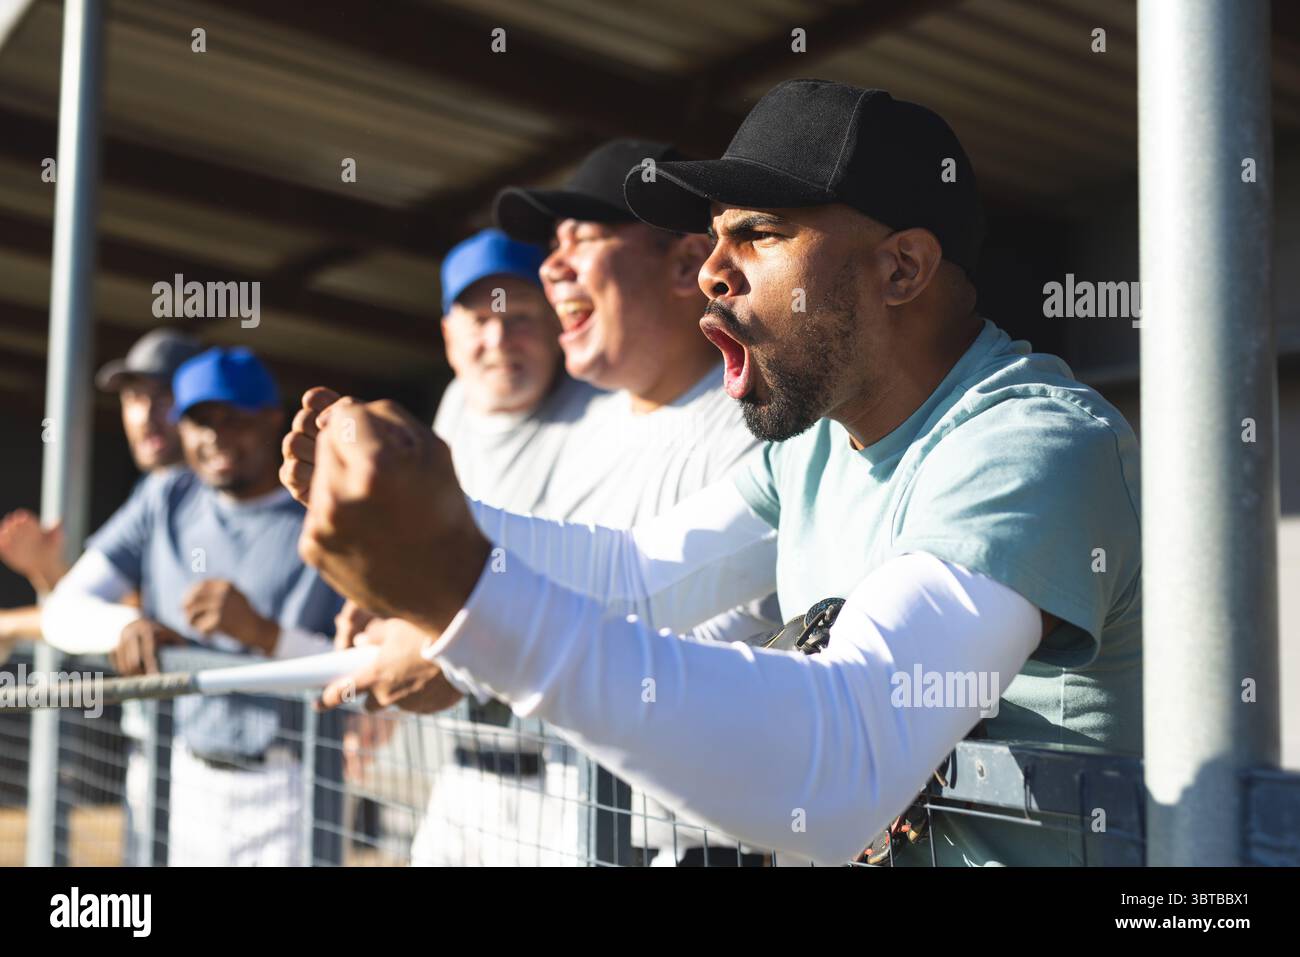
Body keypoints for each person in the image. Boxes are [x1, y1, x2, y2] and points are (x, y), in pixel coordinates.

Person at [288, 79, 1142, 867]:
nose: (708, 269)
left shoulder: (1026, 442)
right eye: (716, 233)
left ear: (901, 268)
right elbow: (632, 575)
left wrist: (459, 583)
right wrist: (422, 515)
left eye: (758, 233)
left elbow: (842, 763)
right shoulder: (814, 444)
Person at [42, 347, 345, 866]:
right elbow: (63, 610)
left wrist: (263, 634)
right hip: (177, 770)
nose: (216, 437)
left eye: (234, 419)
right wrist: (125, 624)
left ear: (273, 420)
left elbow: (363, 666)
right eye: (199, 421)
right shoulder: (166, 496)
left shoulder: (329, 512)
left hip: (286, 786)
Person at [0, 329, 202, 866]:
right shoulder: (153, 493)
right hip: (164, 754)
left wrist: (12, 621)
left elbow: (164, 623)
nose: (146, 414)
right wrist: (51, 578)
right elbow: (110, 610)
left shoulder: (216, 489)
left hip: (258, 765)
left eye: (164, 396)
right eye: (135, 398)